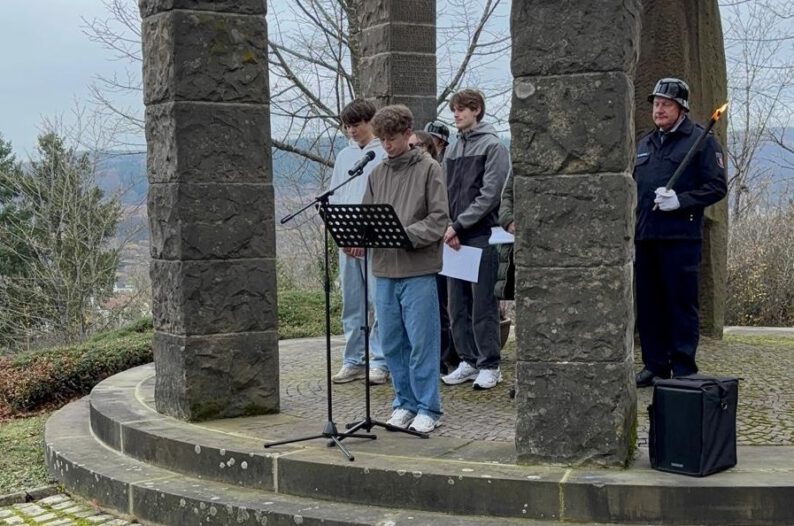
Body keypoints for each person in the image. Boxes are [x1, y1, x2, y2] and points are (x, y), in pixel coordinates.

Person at [634, 78, 727, 387]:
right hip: (646, 236)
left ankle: (684, 367)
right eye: (656, 104)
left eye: (666, 104)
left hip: (680, 238)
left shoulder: (701, 141)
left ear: (681, 108)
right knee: (649, 306)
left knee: (680, 304)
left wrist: (681, 201)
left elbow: (717, 187)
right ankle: (655, 365)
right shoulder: (646, 143)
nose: (658, 110)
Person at [362, 104, 450, 433]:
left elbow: (438, 219)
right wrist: (363, 234)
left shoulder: (429, 168)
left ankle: (429, 408)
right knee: (392, 343)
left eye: (393, 138)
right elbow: (367, 217)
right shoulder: (376, 174)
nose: (387, 145)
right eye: (382, 139)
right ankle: (404, 403)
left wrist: (404, 235)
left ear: (408, 134)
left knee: (422, 342)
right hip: (384, 269)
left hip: (418, 269)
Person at [441, 89, 511, 390]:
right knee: (457, 305)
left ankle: (490, 365)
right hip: (454, 237)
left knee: (483, 304)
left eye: (462, 109)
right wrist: (449, 226)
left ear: (477, 110)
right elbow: (442, 192)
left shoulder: (493, 146)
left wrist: (458, 225)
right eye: (454, 110)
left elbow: (490, 195)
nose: (456, 114)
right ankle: (468, 361)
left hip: (481, 235)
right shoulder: (452, 149)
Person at [329, 99, 390, 385]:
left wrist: (366, 236)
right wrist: (343, 235)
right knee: (352, 303)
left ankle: (380, 359)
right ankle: (353, 358)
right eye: (347, 126)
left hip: (374, 242)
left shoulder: (383, 154)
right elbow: (336, 196)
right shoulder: (344, 156)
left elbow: (384, 201)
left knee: (377, 302)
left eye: (356, 125)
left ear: (370, 122)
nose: (351, 131)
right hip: (347, 240)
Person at [409, 130, 460, 375]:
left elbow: (443, 208)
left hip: (441, 246)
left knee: (442, 305)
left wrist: (449, 227)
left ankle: (445, 356)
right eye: (410, 145)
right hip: (417, 249)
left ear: (429, 147)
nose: (412, 149)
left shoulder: (436, 171)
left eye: (417, 145)